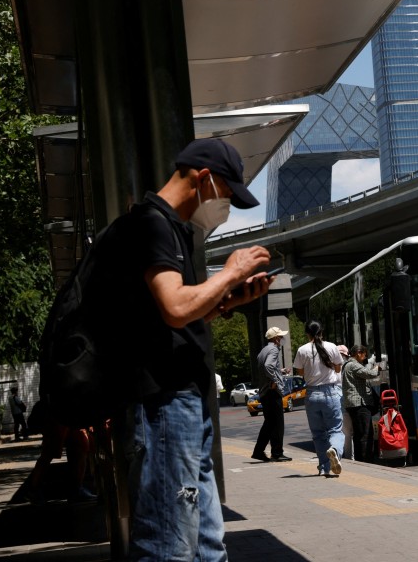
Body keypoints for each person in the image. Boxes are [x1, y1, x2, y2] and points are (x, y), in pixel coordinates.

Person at [88, 137, 274, 560]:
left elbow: (168, 321)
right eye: (226, 196)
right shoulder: (153, 224)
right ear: (205, 179)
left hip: (181, 404)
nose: (224, 208)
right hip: (165, 406)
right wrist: (230, 274)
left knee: (207, 547)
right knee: (168, 545)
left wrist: (227, 303)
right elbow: (175, 308)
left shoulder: (168, 229)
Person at [292, 322, 346, 476]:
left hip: (312, 395)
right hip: (331, 393)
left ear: (307, 333)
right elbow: (338, 368)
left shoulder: (302, 350)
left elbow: (300, 372)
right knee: (335, 429)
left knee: (318, 433)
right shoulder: (331, 346)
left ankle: (324, 468)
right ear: (322, 332)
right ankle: (334, 450)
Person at [252, 327, 292, 463]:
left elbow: (265, 366)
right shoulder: (274, 349)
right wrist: (274, 380)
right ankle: (277, 452)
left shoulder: (263, 350)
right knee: (278, 423)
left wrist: (280, 371)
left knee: (269, 423)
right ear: (275, 339)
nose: (281, 339)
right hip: (271, 391)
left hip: (264, 391)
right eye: (280, 337)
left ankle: (259, 451)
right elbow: (268, 366)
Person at [342, 344, 381, 462]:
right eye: (364, 355)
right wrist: (377, 368)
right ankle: (365, 460)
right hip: (359, 404)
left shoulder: (348, 365)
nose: (365, 358)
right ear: (359, 353)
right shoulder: (353, 365)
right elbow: (370, 374)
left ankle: (363, 458)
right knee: (364, 434)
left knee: (361, 433)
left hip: (355, 404)